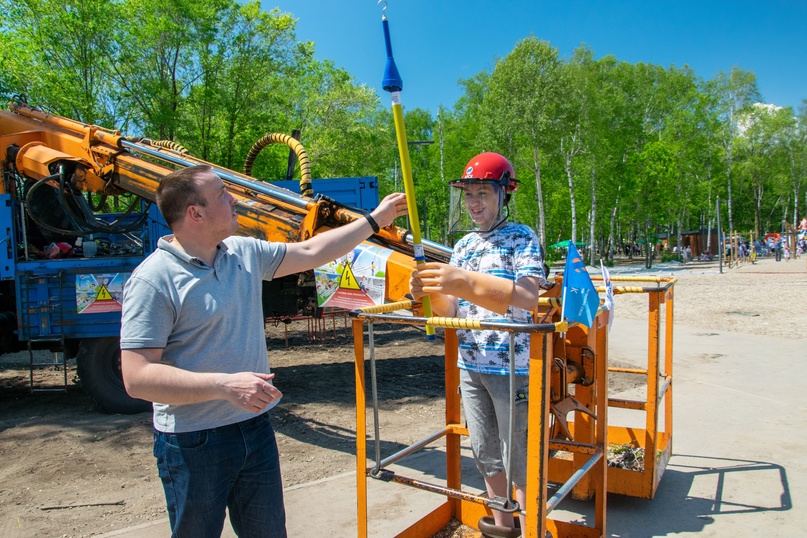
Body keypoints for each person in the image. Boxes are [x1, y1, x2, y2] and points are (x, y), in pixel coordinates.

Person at [119, 165, 408, 538]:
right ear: (196, 213)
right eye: (223, 193)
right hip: (193, 443)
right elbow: (137, 377)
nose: (234, 198)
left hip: (254, 429)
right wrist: (224, 386)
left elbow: (310, 250)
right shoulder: (152, 280)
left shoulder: (242, 252)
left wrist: (374, 220)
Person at [409, 153, 545, 534]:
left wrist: (465, 282)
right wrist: (428, 290)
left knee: (519, 455)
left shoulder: (521, 237)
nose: (473, 203)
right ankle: (503, 527)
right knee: (485, 454)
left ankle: (533, 526)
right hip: (471, 365)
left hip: (512, 367)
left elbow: (528, 297)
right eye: (468, 194)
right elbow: (449, 308)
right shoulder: (464, 246)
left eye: (483, 192)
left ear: (505, 193)